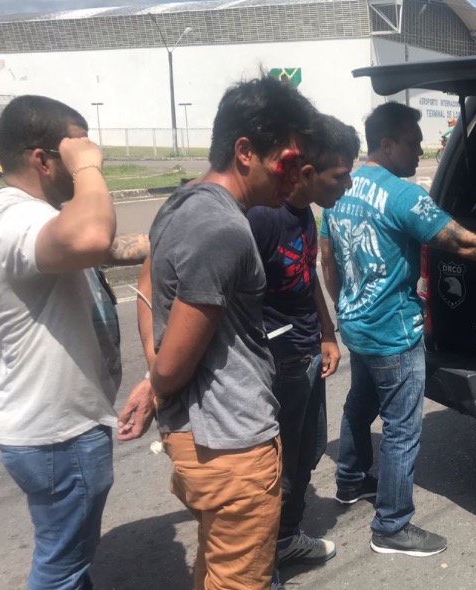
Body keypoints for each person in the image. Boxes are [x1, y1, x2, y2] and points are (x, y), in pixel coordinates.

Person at [319, 102, 476, 557]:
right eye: (413, 144)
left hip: (356, 324)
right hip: (394, 334)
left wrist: (343, 305)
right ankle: (392, 527)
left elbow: (327, 256)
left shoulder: (343, 187)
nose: (421, 152)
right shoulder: (402, 195)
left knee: (360, 404)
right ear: (387, 143)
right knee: (400, 427)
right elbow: (468, 245)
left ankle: (351, 480)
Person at [0, 95, 151, 590]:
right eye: (75, 150)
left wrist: (170, 238)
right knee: (61, 568)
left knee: (67, 559)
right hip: (57, 434)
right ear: (42, 159)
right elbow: (92, 237)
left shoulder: (33, 219)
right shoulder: (14, 220)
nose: (88, 159)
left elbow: (105, 247)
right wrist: (90, 166)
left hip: (57, 428)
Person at [146, 74, 314, 590]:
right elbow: (174, 366)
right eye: (285, 162)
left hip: (201, 442)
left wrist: (152, 378)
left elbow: (148, 281)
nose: (293, 178)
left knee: (216, 570)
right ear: (245, 151)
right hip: (233, 449)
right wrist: (157, 378)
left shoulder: (182, 202)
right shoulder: (225, 230)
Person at [246, 114, 360, 572]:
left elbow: (306, 272)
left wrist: (327, 334)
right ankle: (261, 568)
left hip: (307, 353)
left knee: (306, 455)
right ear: (308, 173)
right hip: (276, 364)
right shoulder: (262, 218)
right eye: (341, 174)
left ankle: (287, 538)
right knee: (275, 471)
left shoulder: (304, 213)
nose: (348, 184)